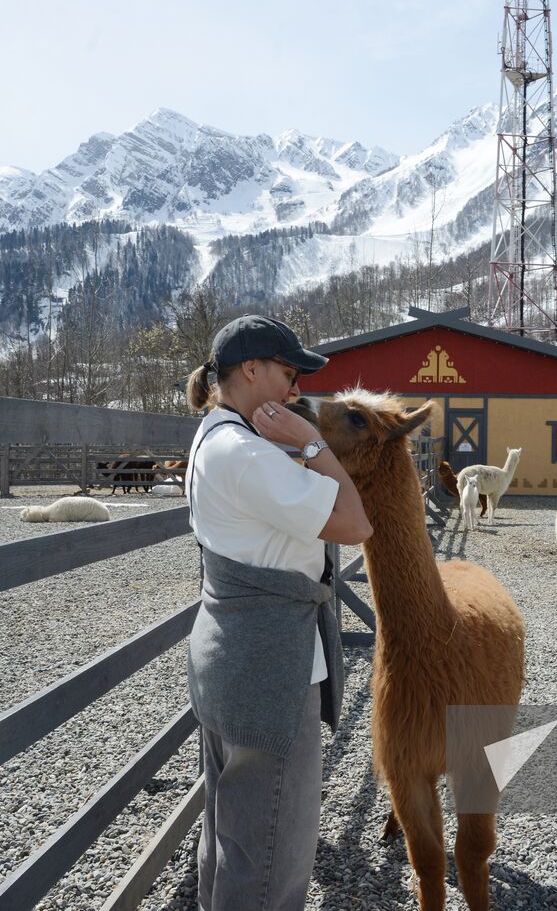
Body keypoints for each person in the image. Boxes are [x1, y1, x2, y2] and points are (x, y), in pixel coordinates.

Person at [183, 314, 373, 909]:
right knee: (271, 853)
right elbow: (356, 522)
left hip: (232, 656)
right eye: (289, 374)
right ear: (250, 369)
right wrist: (310, 443)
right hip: (269, 667)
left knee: (231, 838)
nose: (296, 390)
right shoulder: (244, 454)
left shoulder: (216, 438)